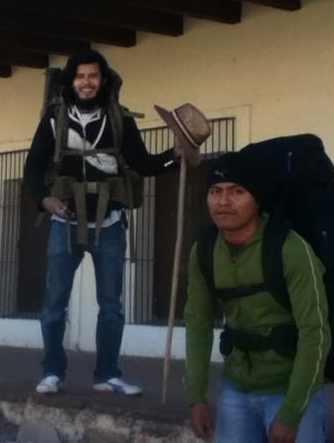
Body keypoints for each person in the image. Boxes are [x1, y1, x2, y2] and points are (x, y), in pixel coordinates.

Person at [23, 49, 210, 396]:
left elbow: (144, 164)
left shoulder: (121, 119)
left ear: (103, 79)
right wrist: (43, 200)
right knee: (54, 303)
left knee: (111, 305)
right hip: (65, 222)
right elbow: (32, 168)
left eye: (93, 76)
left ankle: (107, 374)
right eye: (80, 76)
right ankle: (52, 371)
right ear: (72, 80)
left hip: (109, 222)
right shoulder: (53, 118)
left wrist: (174, 157)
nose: (87, 82)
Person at [184, 152, 331, 442]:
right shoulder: (204, 250)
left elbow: (316, 334)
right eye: (216, 191)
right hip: (236, 389)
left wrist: (291, 413)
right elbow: (197, 323)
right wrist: (196, 397)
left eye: (237, 191)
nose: (223, 201)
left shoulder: (291, 249)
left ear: (258, 199)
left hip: (291, 391)